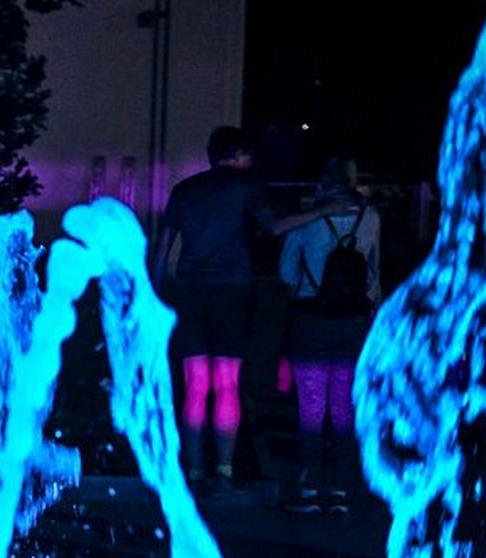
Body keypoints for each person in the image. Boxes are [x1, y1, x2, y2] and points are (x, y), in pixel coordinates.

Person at [149, 126, 327, 493]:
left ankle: (194, 471)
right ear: (237, 154)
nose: (251, 162)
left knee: (196, 384)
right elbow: (274, 226)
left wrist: (154, 294)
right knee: (227, 382)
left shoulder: (184, 190)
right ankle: (224, 470)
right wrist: (324, 210)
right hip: (232, 290)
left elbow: (163, 247)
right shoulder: (246, 185)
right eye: (248, 155)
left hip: (190, 292)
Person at [276, 156, 381, 515]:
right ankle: (340, 491)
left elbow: (287, 272)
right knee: (343, 408)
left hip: (311, 318)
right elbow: (374, 273)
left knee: (311, 407)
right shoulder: (371, 218)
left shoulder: (306, 220)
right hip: (354, 321)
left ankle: (308, 489)